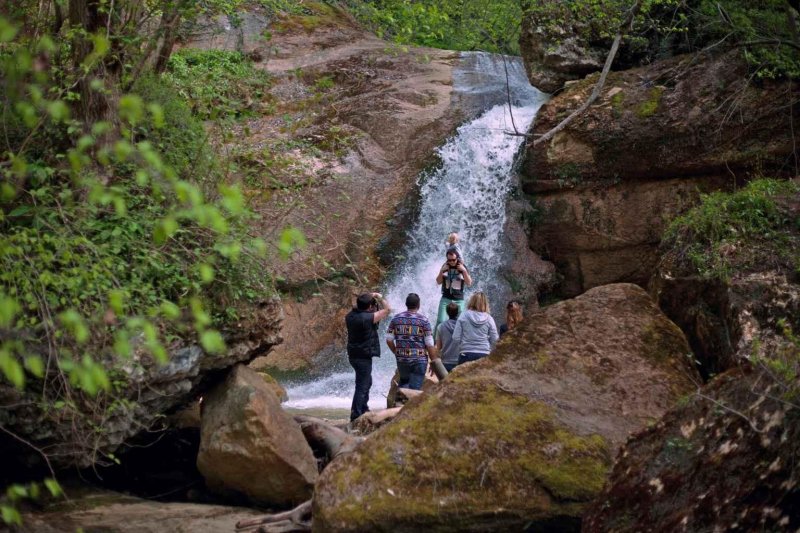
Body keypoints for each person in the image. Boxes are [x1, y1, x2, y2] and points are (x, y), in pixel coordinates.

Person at [345, 291, 390, 422]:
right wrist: (380, 297)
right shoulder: (366, 318)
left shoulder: (350, 316)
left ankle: (364, 407)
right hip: (362, 356)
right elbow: (387, 310)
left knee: (366, 382)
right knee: (362, 385)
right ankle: (356, 414)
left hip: (354, 354)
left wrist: (368, 296)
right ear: (370, 307)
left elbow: (360, 306)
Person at [386, 293, 438, 390]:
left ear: (406, 304)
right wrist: (434, 363)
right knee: (414, 390)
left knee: (404, 384)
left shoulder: (396, 319)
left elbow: (389, 340)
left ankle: (401, 402)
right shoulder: (424, 321)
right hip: (419, 360)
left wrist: (396, 352)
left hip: (402, 359)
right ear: (418, 305)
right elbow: (430, 344)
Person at [453, 291, 498, 365]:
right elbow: (495, 340)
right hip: (484, 355)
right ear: (485, 304)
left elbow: (455, 338)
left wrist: (463, 346)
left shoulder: (463, 315)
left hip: (466, 354)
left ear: (471, 301)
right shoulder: (489, 318)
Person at [435, 247, 472, 335]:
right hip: (446, 297)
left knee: (460, 322)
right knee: (440, 320)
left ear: (457, 258)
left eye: (453, 260)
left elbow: (469, 283)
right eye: (449, 260)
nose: (451, 262)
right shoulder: (445, 266)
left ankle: (459, 342)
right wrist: (441, 271)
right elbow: (438, 281)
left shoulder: (462, 267)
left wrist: (464, 271)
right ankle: (436, 342)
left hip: (458, 299)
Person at [435, 302, 461, 372]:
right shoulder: (462, 326)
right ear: (458, 312)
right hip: (459, 361)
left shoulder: (440, 327)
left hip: (445, 362)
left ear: (447, 312)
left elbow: (438, 347)